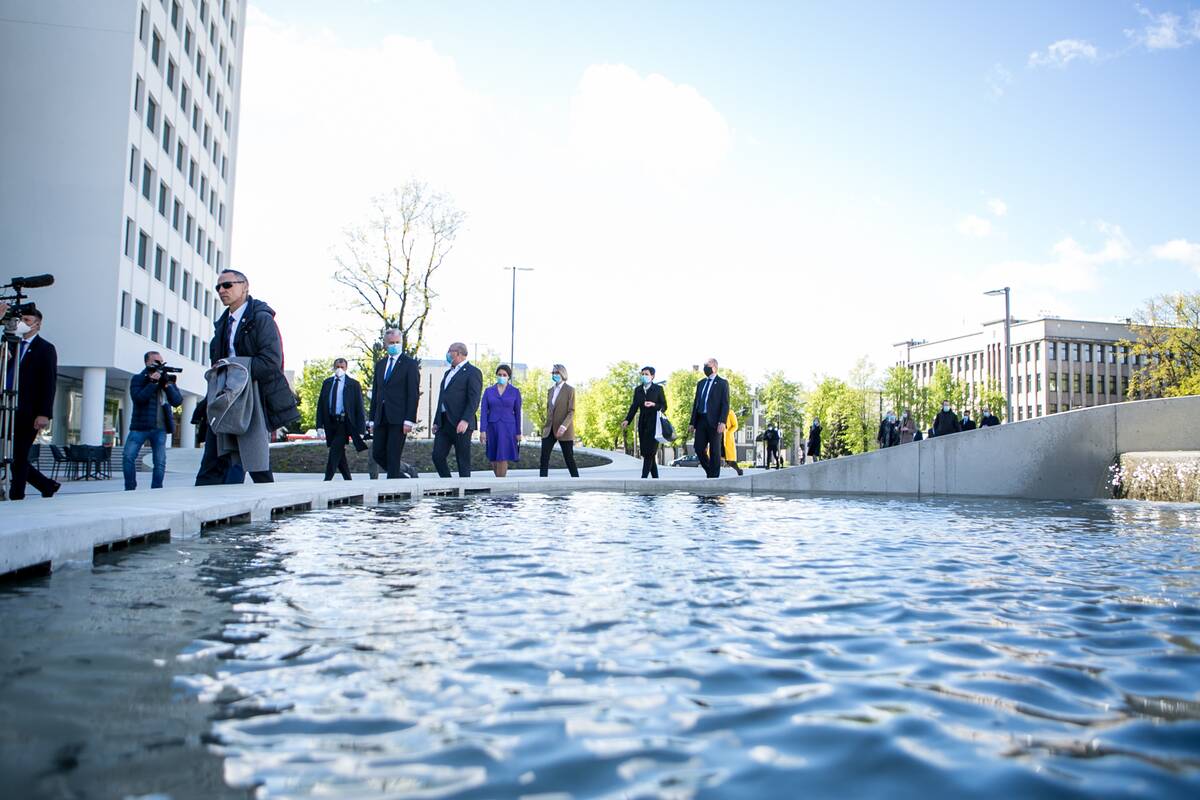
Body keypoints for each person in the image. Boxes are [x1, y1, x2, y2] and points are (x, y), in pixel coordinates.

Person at [196, 269, 299, 485]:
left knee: (254, 461)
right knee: (213, 461)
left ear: (244, 287)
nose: (221, 290)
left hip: (251, 399)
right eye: (218, 287)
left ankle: (267, 503)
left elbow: (271, 362)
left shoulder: (261, 319)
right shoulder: (222, 325)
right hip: (225, 398)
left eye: (227, 285)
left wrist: (237, 372)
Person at [1, 303, 60, 499]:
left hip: (29, 411)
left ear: (37, 324)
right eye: (20, 320)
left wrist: (44, 413)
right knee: (11, 455)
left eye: (27, 320)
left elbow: (49, 383)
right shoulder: (11, 345)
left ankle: (17, 495)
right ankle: (46, 485)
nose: (23, 324)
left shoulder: (45, 349)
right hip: (6, 406)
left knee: (19, 454)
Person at [123, 350, 183, 490]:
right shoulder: (138, 379)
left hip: (160, 428)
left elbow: (177, 401)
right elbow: (138, 399)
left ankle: (156, 489)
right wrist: (152, 382)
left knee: (160, 462)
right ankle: (130, 488)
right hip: (140, 426)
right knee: (128, 457)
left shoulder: (167, 379)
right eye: (156, 362)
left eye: (161, 362)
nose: (159, 364)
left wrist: (167, 385)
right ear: (147, 362)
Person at [368, 330, 419, 479]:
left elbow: (413, 393)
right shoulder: (380, 365)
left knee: (393, 454)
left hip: (399, 418)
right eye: (391, 343)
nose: (394, 345)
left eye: (397, 342)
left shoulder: (410, 364)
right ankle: (403, 476)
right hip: (381, 416)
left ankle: (394, 484)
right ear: (385, 344)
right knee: (377, 453)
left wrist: (409, 419)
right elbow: (376, 393)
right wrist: (371, 419)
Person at [431, 342, 482, 478]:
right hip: (444, 423)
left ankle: (464, 489)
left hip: (461, 423)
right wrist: (436, 421)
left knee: (462, 460)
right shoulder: (448, 373)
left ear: (458, 353)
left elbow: (474, 399)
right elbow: (442, 398)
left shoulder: (473, 372)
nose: (447, 354)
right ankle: (448, 483)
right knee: (437, 456)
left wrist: (465, 420)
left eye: (450, 351)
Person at [317, 358, 367, 481]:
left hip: (344, 423)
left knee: (335, 449)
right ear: (334, 367)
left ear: (346, 368)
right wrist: (319, 425)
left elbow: (359, 408)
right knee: (339, 453)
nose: (339, 369)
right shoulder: (327, 383)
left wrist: (361, 429)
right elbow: (321, 405)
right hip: (330, 422)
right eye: (337, 367)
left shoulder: (353, 384)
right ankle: (348, 479)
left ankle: (327, 479)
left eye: (342, 367)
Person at [622, 366, 667, 479]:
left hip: (655, 424)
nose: (644, 376)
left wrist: (654, 405)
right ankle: (656, 479)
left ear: (652, 376)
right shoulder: (638, 390)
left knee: (650, 452)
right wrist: (627, 420)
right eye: (642, 374)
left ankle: (643, 478)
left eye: (646, 374)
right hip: (642, 423)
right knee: (646, 453)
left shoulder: (658, 389)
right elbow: (634, 407)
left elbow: (664, 406)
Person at [689, 358, 729, 479]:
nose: (705, 368)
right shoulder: (701, 383)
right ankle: (710, 472)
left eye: (708, 365)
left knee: (715, 450)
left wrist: (722, 421)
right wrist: (692, 422)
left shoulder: (722, 383)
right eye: (704, 365)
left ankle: (714, 477)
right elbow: (696, 403)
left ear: (715, 367)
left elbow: (725, 404)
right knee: (698, 448)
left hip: (715, 422)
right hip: (701, 420)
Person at [480, 364, 522, 477]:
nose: (502, 376)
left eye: (504, 375)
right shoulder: (488, 391)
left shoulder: (515, 392)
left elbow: (518, 413)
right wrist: (482, 430)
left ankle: (500, 483)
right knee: (493, 458)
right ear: (496, 375)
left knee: (502, 457)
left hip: (508, 428)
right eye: (499, 374)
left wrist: (518, 432)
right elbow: (483, 412)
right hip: (492, 427)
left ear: (509, 377)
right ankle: (499, 480)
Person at [539, 363, 579, 477]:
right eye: (553, 373)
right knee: (544, 457)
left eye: (556, 372)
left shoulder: (570, 390)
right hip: (549, 429)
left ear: (562, 373)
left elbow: (571, 411)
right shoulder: (550, 390)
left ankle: (576, 480)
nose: (554, 375)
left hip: (564, 429)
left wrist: (564, 426)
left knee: (569, 458)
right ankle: (542, 481)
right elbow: (549, 409)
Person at [722, 408, 744, 475]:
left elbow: (735, 425)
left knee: (729, 460)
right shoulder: (715, 411)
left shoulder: (730, 412)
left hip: (727, 438)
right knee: (713, 455)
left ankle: (738, 470)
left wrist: (728, 432)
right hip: (717, 436)